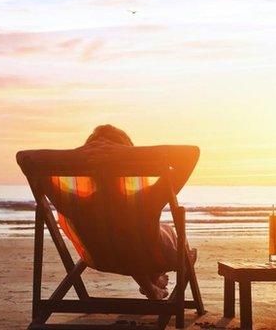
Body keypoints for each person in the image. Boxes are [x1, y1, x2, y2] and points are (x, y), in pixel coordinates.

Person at [74, 125, 193, 300]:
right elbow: (191, 155)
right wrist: (129, 155)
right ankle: (157, 276)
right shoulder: (146, 199)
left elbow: (24, 159)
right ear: (130, 162)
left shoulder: (78, 202)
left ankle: (152, 283)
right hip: (147, 257)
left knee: (130, 239)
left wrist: (81, 156)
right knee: (164, 238)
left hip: (101, 257)